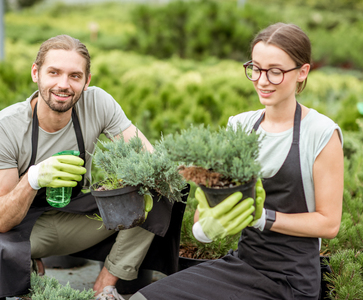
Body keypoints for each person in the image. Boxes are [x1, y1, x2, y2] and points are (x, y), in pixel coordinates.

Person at [131, 22, 344, 300]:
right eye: (255, 68)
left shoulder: (321, 133)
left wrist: (261, 218)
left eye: (275, 71)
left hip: (291, 281)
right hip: (242, 264)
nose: (262, 80)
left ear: (302, 72)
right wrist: (206, 225)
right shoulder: (241, 126)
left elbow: (329, 224)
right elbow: (210, 204)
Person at [0, 34, 187, 300]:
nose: (63, 85)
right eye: (53, 72)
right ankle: (25, 271)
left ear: (87, 81)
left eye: (74, 76)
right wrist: (33, 177)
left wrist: (185, 171)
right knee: (0, 250)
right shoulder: (5, 126)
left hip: (77, 216)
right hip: (28, 226)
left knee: (157, 192)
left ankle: (106, 284)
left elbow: (150, 160)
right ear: (36, 73)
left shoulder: (97, 103)